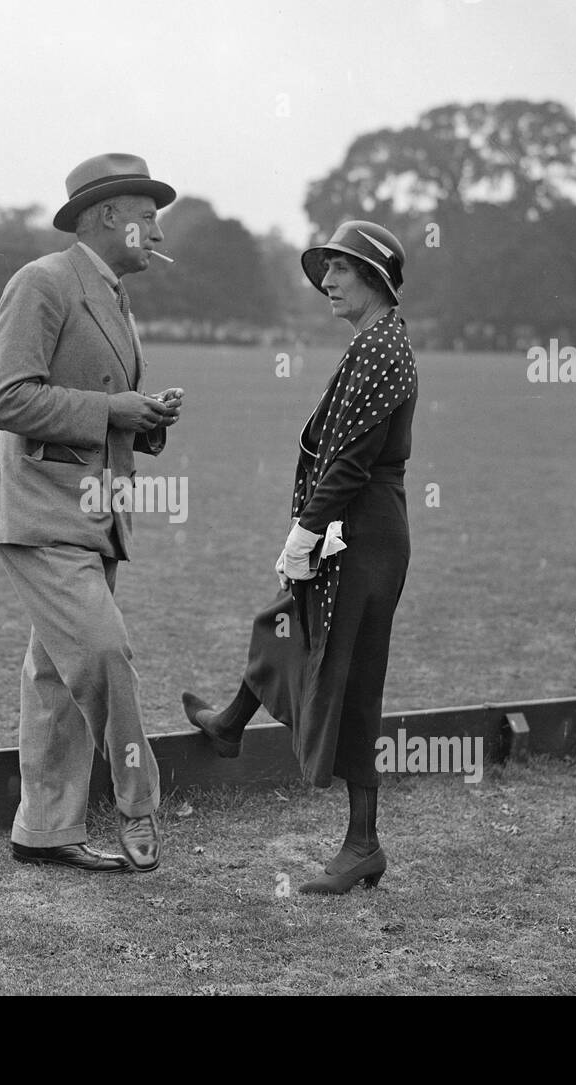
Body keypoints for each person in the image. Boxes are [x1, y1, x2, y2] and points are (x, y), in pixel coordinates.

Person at [182, 220, 417, 894]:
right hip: (355, 527)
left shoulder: (380, 348)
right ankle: (230, 723)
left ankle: (362, 843)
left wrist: (304, 533)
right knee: (287, 620)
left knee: (352, 679)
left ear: (372, 276)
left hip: (363, 531)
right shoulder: (373, 341)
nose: (328, 284)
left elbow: (348, 461)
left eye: (340, 270)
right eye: (326, 271)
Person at [0, 153, 185, 873]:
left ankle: (44, 829)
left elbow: (101, 406)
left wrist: (145, 419)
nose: (158, 229)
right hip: (40, 510)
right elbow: (6, 399)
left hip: (98, 511)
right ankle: (139, 802)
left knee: (56, 676)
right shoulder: (43, 282)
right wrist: (112, 408)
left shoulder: (116, 297)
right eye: (148, 215)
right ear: (107, 219)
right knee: (100, 652)